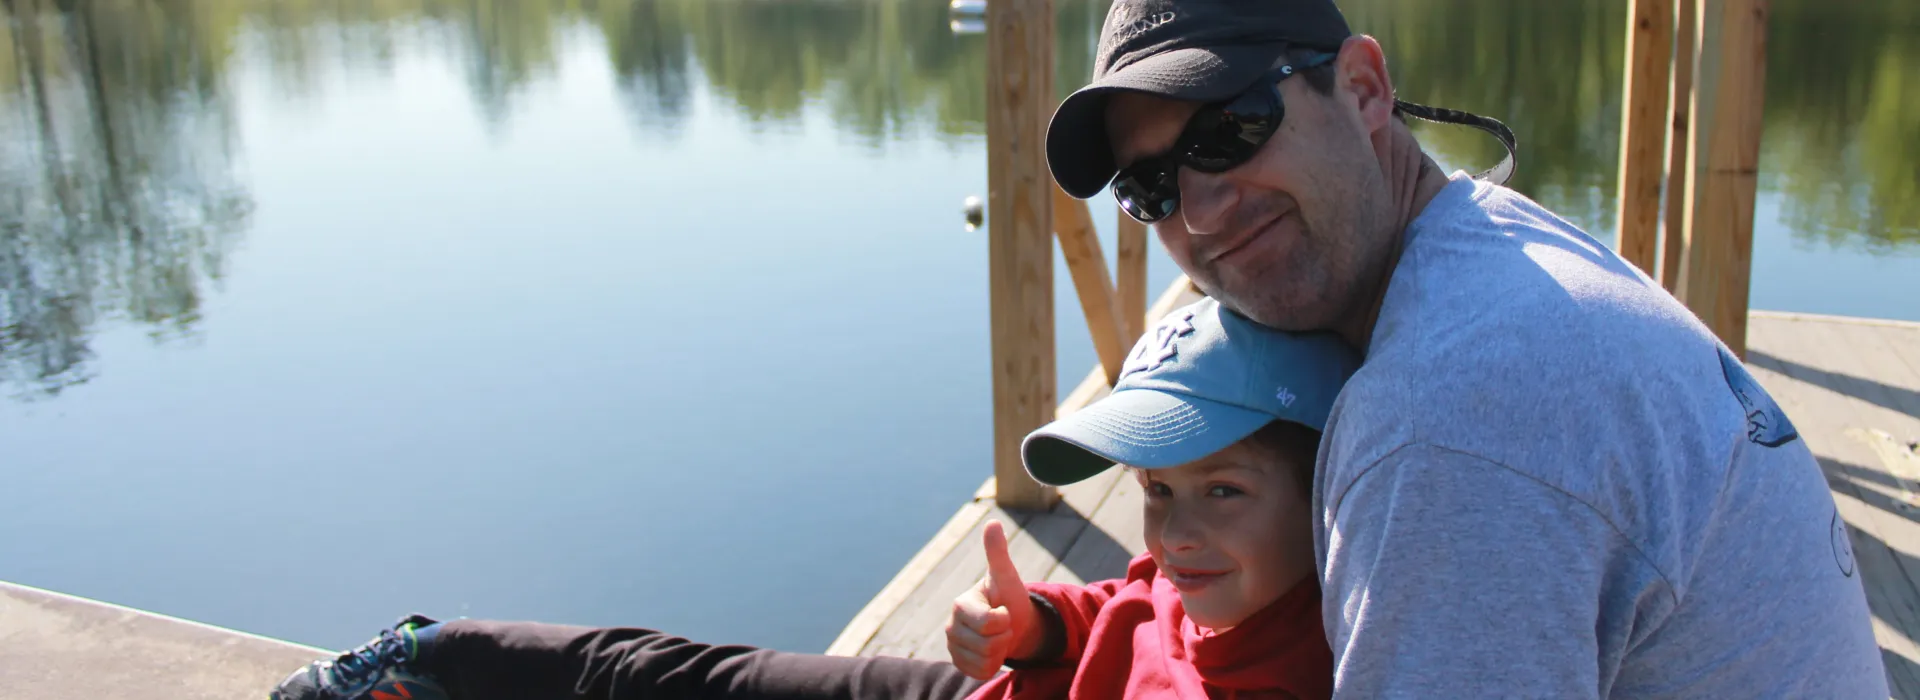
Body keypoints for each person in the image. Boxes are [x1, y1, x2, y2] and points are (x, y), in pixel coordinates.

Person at [1041, 0, 1887, 696]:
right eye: (1148, 187)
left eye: (1231, 130)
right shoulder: (1489, 249)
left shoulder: (1444, 421)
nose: (1201, 212)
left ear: (1365, 89)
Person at [269, 298, 1360, 700]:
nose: (1175, 532)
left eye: (1222, 487)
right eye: (1158, 492)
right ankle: (432, 653)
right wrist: (1039, 623)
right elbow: (1128, 601)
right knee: (674, 672)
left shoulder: (1353, 652)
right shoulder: (1202, 577)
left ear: (1325, 496)